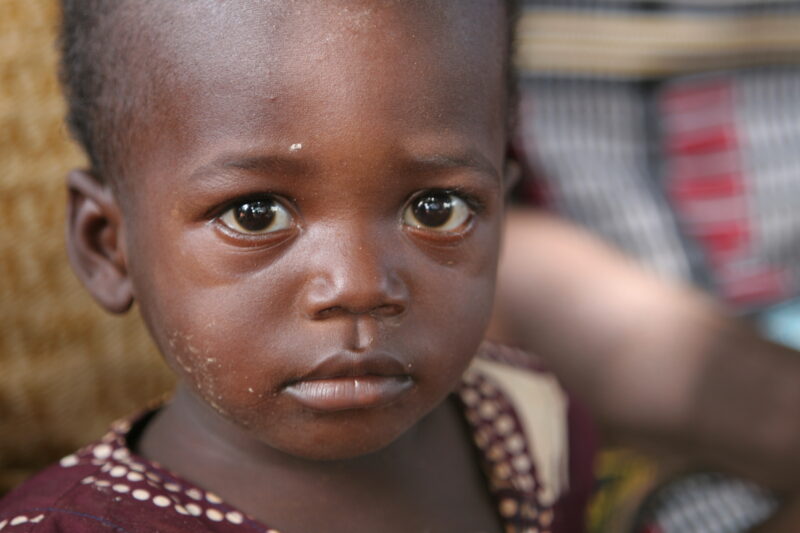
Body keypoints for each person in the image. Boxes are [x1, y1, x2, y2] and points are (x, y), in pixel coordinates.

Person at [0, 1, 597, 532]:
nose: (359, 286)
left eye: (436, 209)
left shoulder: (533, 419)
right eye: (255, 216)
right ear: (107, 246)